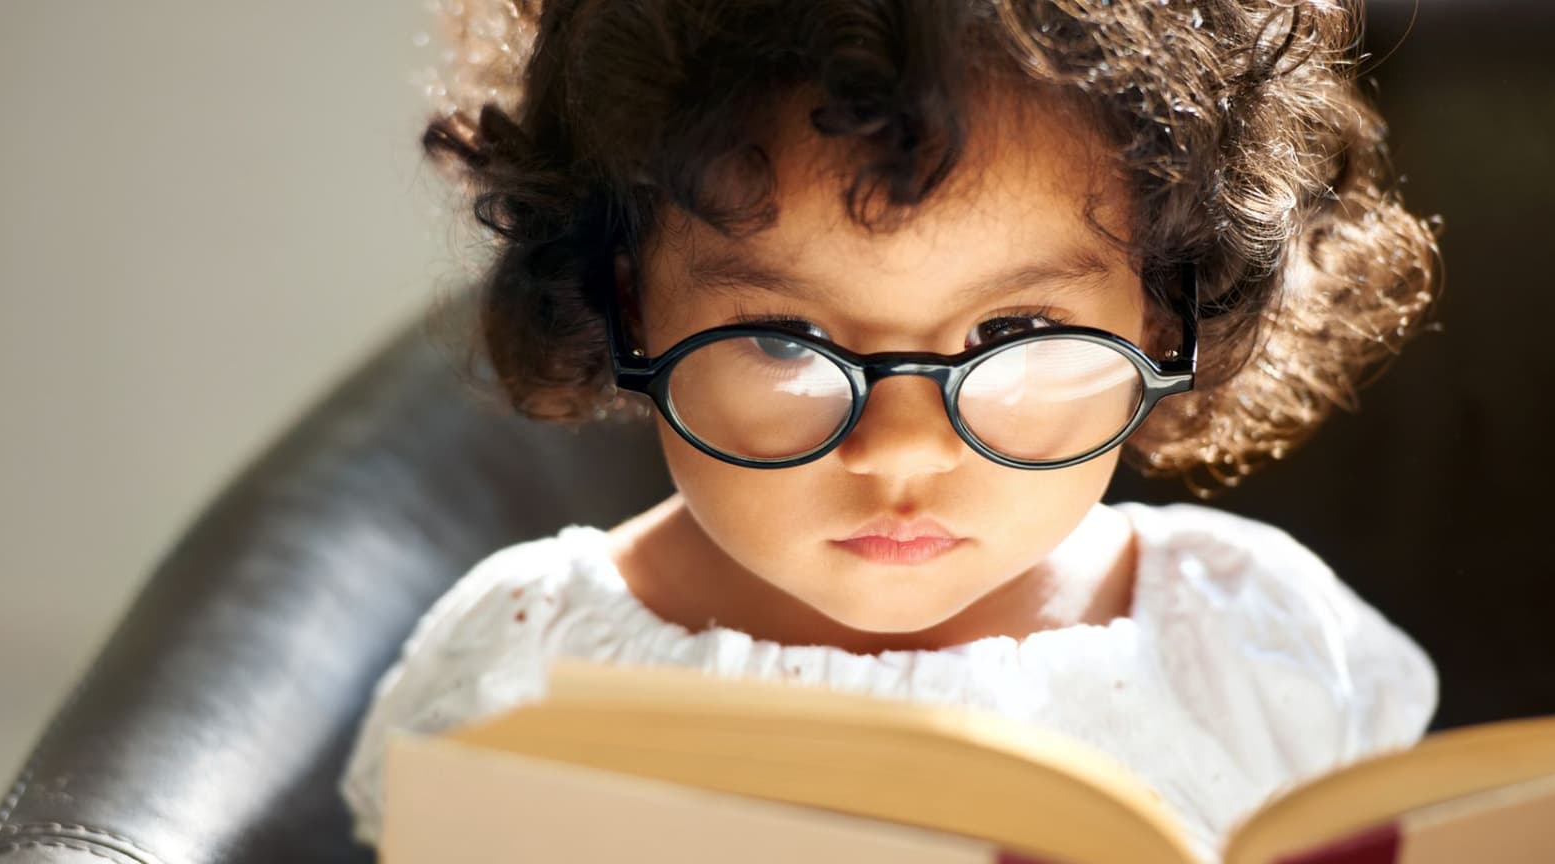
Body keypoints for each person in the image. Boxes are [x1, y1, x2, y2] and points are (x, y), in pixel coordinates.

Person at [342, 0, 1443, 858]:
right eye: (784, 340)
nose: (902, 448)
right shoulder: (525, 669)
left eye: (1012, 330)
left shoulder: (1259, 647)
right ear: (629, 302)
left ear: (1163, 307)